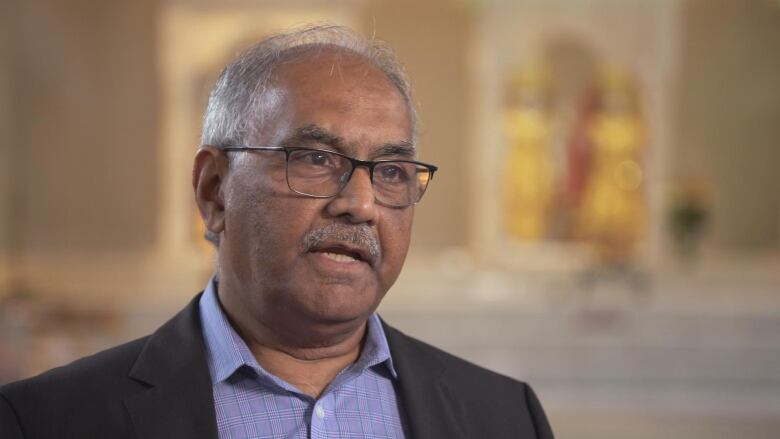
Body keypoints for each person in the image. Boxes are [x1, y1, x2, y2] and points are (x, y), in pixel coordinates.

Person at [0, 24, 553, 438]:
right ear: (215, 190)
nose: (359, 205)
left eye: (390, 172)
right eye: (315, 158)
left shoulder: (504, 417)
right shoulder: (48, 420)